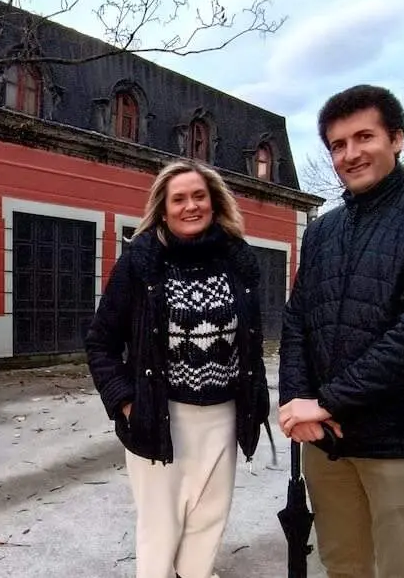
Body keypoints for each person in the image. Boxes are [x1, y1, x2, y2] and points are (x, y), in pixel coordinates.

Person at [277, 84, 404, 578]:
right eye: (337, 145)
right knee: (343, 566)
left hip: (402, 441)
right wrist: (297, 407)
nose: (350, 154)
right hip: (327, 443)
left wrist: (326, 402)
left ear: (397, 137)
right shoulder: (325, 228)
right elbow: (297, 321)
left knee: (401, 569)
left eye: (363, 137)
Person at [86, 160, 270, 578]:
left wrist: (255, 399)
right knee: (160, 527)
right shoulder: (141, 262)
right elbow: (101, 342)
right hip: (161, 413)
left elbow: (252, 337)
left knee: (209, 520)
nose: (191, 206)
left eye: (199, 196)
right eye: (179, 199)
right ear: (164, 208)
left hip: (224, 414)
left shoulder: (238, 260)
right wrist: (127, 404)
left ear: (215, 202)